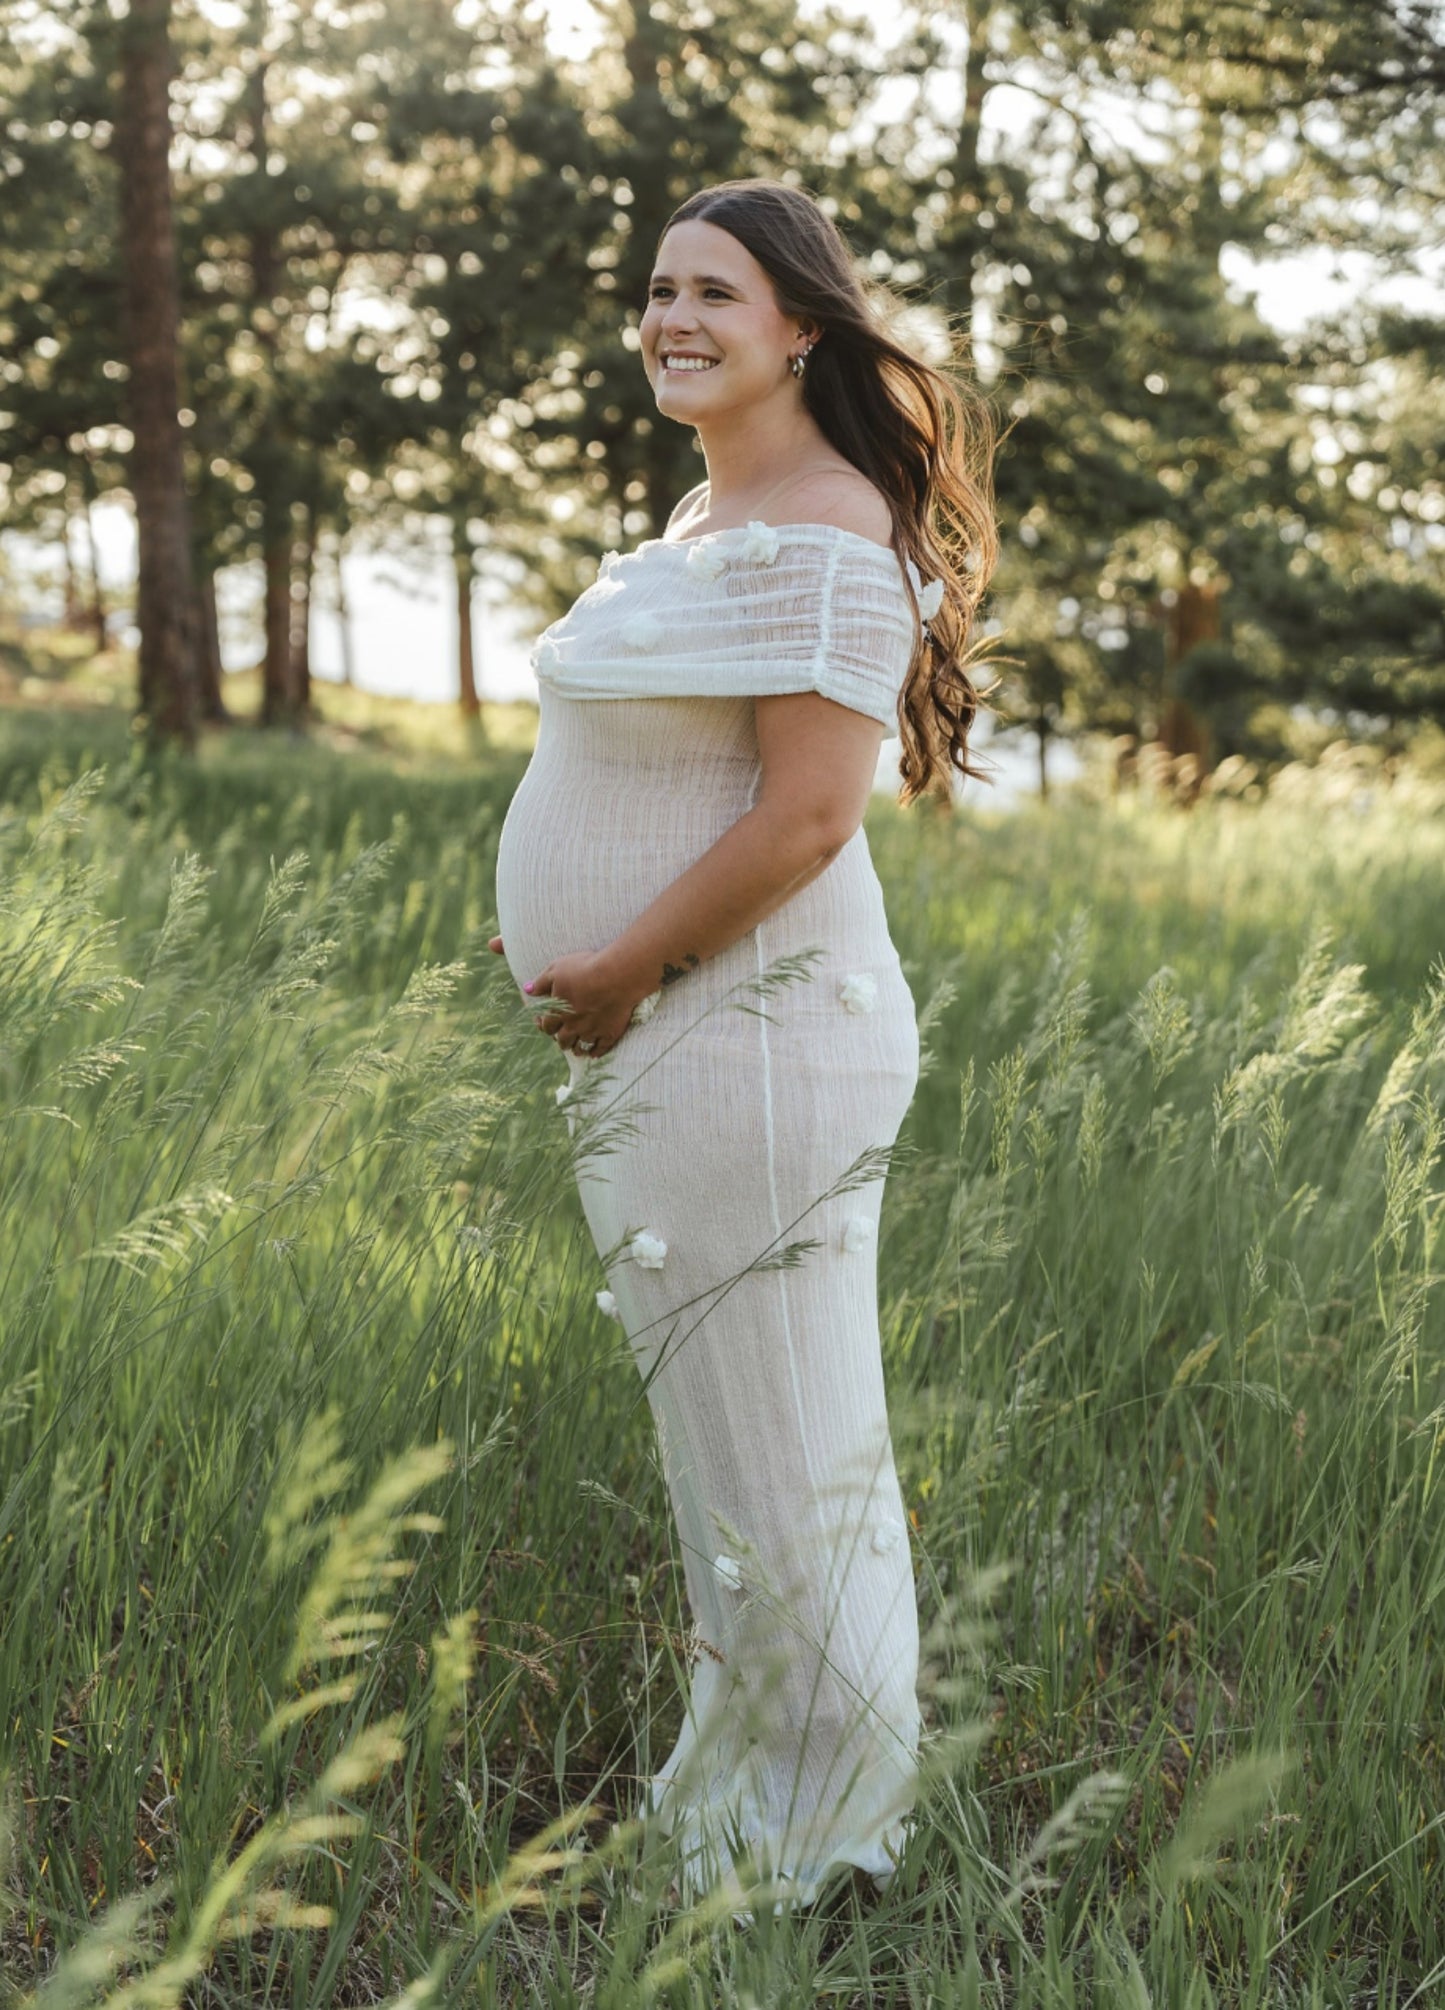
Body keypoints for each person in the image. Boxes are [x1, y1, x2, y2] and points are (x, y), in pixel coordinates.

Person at [488, 177, 999, 1919]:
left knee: (783, 1433)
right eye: (654, 290)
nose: (671, 319)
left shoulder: (831, 525)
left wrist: (625, 950)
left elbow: (804, 815)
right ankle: (747, 1784)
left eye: (714, 291)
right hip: (670, 1025)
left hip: (747, 1036)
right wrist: (565, 906)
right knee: (725, 1432)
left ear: (801, 327)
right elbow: (666, 772)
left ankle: (829, 1836)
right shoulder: (710, 519)